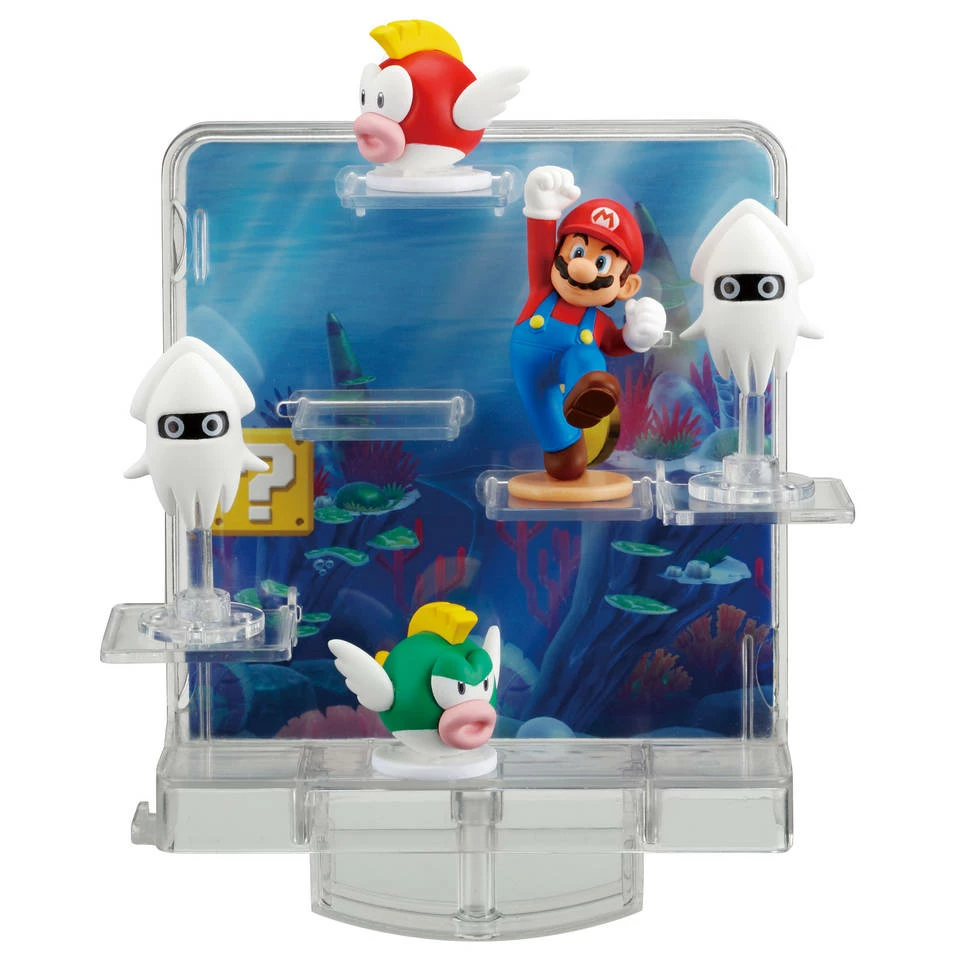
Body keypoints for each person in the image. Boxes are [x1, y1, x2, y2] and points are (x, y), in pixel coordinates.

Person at [512, 166, 666, 480]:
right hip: (527, 365)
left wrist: (638, 336)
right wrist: (541, 206)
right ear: (558, 252)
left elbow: (616, 343)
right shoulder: (543, 288)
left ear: (627, 286)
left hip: (575, 367)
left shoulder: (598, 323)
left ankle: (586, 395)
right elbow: (539, 244)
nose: (582, 268)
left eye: (602, 262)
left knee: (586, 356)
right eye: (577, 251)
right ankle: (565, 443)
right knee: (563, 455)